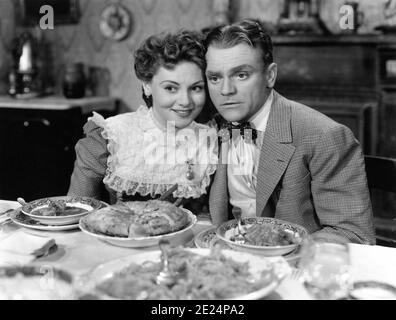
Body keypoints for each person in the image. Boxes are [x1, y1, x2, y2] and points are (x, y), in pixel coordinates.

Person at [205, 19, 375, 244]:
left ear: (270, 76)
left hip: (297, 267)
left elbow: (354, 235)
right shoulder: (212, 129)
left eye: (241, 75)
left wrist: (277, 249)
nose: (226, 90)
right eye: (215, 78)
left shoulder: (326, 136)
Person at [67, 30, 218, 211]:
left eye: (196, 88)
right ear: (147, 85)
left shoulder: (213, 141)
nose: (185, 101)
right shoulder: (109, 136)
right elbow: (77, 210)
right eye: (171, 88)